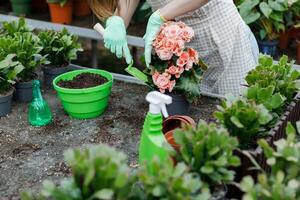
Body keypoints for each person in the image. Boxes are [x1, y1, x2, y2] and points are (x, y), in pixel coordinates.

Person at [89, 0, 259, 96]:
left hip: (225, 42)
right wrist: (118, 20)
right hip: (180, 52)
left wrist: (161, 15)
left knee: (236, 116)